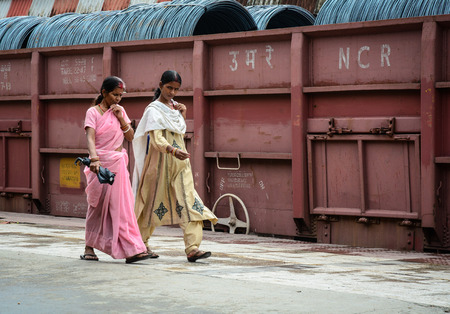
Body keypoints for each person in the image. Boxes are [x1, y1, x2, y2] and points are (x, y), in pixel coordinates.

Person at [133, 70, 218, 262]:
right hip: (160, 165)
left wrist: (182, 114)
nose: (172, 92)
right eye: (169, 88)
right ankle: (140, 245)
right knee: (152, 204)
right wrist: (172, 150)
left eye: (176, 89)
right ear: (160, 85)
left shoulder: (175, 108)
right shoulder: (154, 110)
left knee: (190, 203)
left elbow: (178, 132)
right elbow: (156, 140)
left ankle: (193, 248)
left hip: (180, 165)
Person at [81, 76, 150, 264]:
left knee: (122, 207)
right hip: (100, 165)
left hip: (118, 163)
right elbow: (90, 138)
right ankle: (89, 246)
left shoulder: (120, 111)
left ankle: (131, 248)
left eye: (121, 95)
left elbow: (130, 136)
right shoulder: (93, 112)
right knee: (97, 205)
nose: (118, 99)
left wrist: (121, 117)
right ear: (104, 92)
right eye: (115, 94)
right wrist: (94, 159)